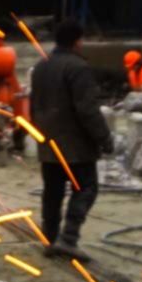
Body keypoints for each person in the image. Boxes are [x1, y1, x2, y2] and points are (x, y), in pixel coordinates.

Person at [28, 20, 115, 259]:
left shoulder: (42, 66)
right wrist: (104, 138)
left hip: (49, 143)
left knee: (52, 192)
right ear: (78, 40)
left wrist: (40, 133)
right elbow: (87, 109)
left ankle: (50, 239)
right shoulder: (78, 68)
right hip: (75, 145)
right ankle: (68, 238)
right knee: (85, 188)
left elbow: (33, 105)